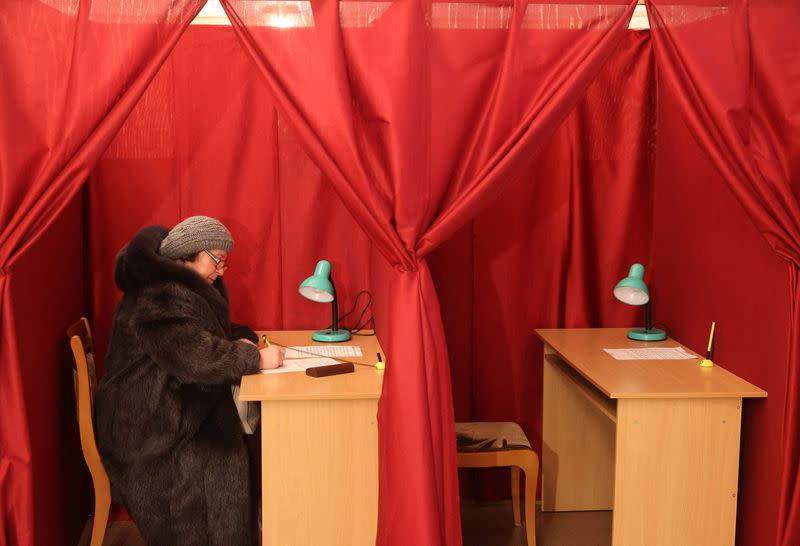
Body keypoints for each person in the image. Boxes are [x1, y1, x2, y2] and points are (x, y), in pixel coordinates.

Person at [94, 216, 283, 545]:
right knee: (229, 452)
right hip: (148, 429)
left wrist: (244, 339)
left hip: (163, 407)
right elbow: (195, 358)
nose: (222, 271)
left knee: (251, 433)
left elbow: (202, 335)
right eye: (217, 261)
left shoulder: (177, 289)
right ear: (188, 254)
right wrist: (255, 358)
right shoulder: (160, 297)